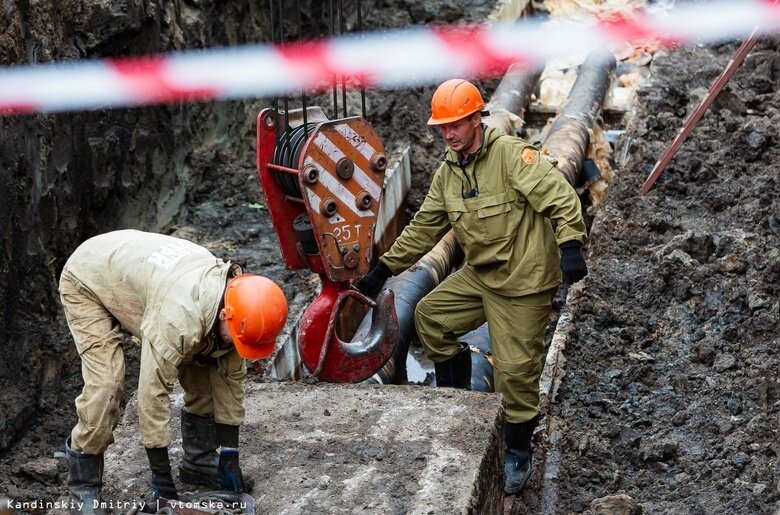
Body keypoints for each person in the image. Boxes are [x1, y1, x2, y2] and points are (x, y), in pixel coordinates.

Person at [355, 79, 588, 494]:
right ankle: (461, 402)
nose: (448, 135)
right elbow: (424, 226)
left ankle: (517, 452)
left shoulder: (513, 157)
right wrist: (384, 268)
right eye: (442, 128)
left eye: (455, 126)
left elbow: (562, 198)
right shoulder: (450, 172)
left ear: (476, 119)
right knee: (430, 318)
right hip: (482, 274)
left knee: (515, 373)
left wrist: (570, 245)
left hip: (524, 280)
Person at [59, 229, 288, 512]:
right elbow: (152, 394)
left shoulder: (241, 308)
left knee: (208, 363)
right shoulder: (179, 319)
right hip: (89, 277)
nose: (238, 346)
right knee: (106, 385)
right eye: (238, 339)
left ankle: (198, 462)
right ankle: (84, 487)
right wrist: (161, 478)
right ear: (222, 315)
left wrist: (230, 452)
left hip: (143, 273)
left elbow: (230, 381)